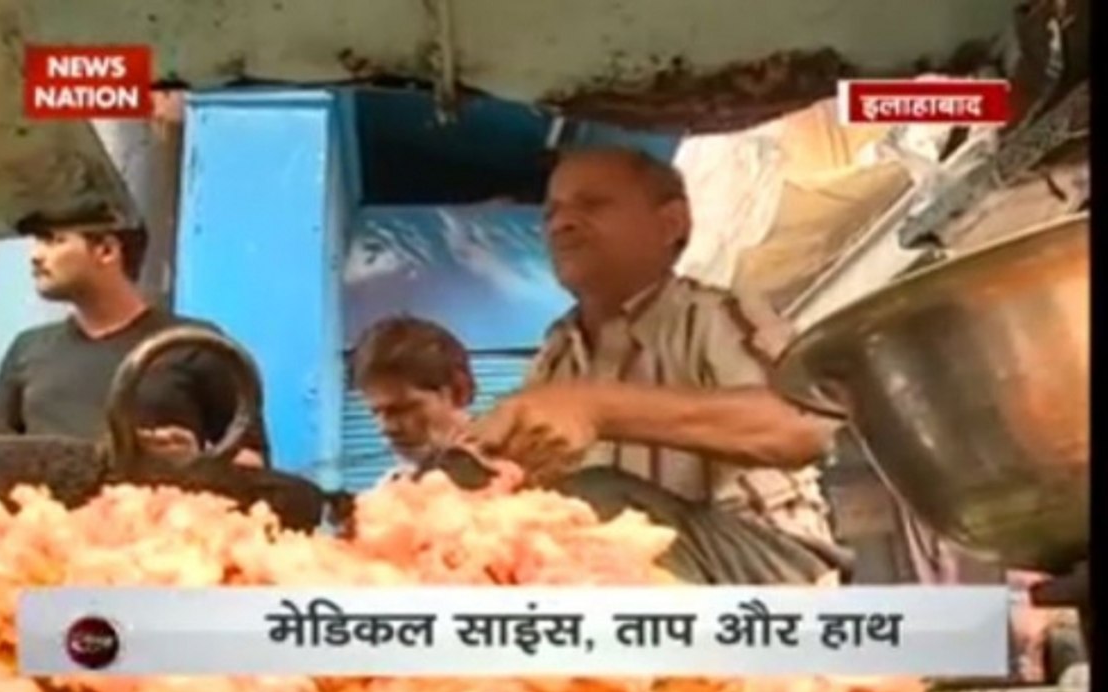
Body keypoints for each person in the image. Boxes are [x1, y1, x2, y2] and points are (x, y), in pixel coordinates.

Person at [469, 146, 848, 581]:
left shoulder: (718, 315)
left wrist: (598, 408)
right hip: (636, 585)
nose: (561, 223)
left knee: (598, 499)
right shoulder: (555, 357)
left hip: (768, 574)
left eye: (592, 204)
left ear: (671, 223)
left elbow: (803, 426)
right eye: (551, 212)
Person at [0, 225, 268, 467]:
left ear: (107, 250)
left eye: (54, 241)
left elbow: (254, 464)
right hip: (42, 527)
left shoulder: (192, 343)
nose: (35, 255)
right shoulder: (27, 348)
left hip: (151, 523)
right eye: (36, 242)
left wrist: (198, 464)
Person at [350, 315, 475, 470]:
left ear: (459, 391)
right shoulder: (393, 485)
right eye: (376, 412)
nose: (386, 428)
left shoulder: (506, 477)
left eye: (404, 409)